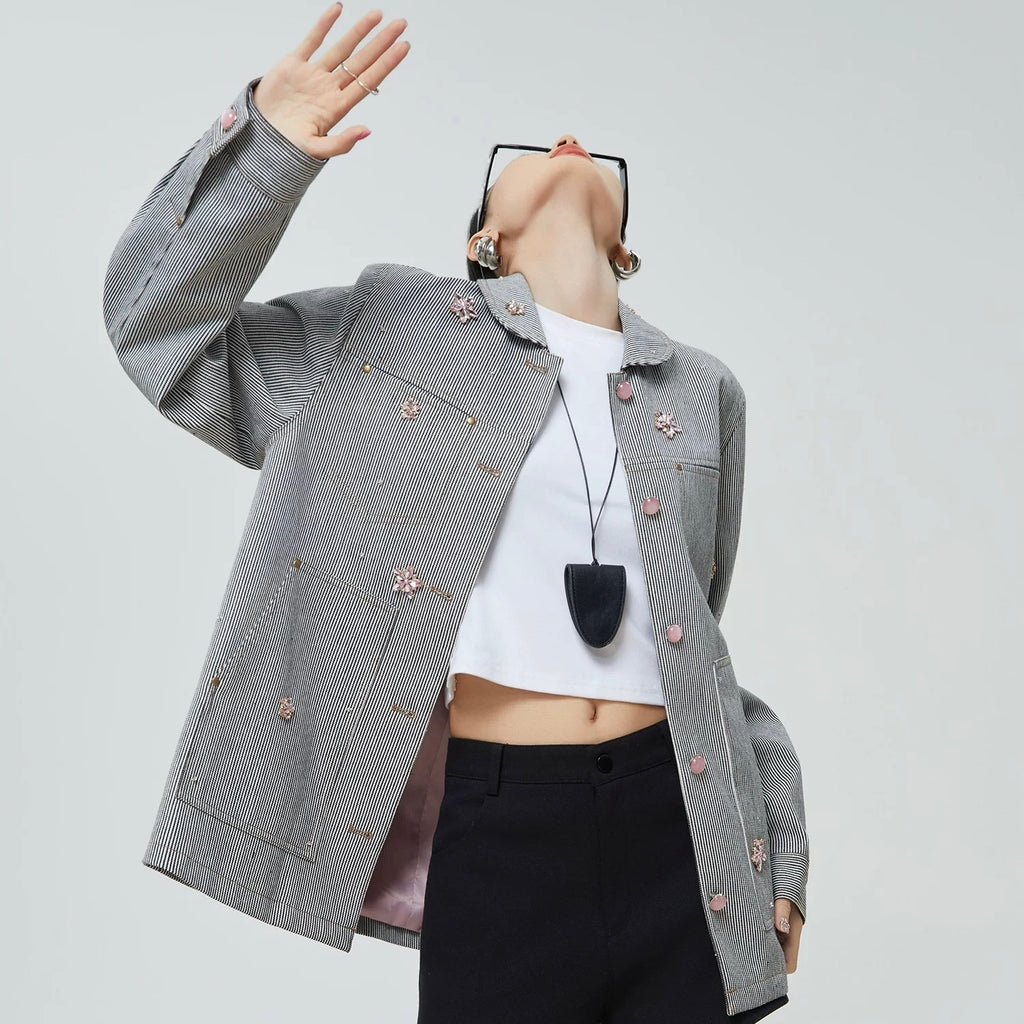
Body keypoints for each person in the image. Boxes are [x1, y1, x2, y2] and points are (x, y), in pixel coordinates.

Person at [102, 4, 810, 1022]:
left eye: (586, 148)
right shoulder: (392, 325)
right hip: (502, 823)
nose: (566, 141)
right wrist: (265, 148)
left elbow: (700, 647)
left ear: (627, 249)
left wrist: (777, 837)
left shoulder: (701, 390)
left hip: (685, 836)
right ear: (485, 236)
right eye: (529, 154)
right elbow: (157, 333)